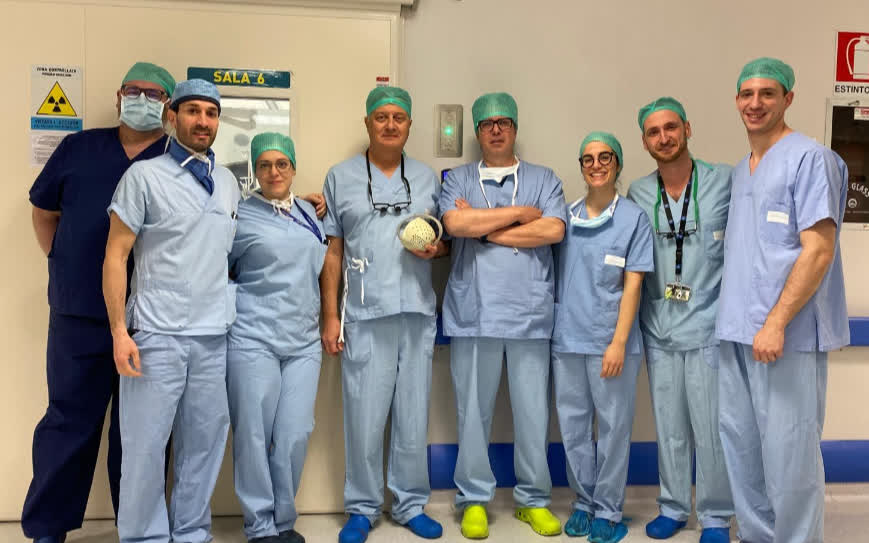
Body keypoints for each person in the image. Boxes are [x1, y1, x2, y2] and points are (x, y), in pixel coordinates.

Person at [24, 61, 175, 543]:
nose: (142, 100)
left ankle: (137, 529)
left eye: (155, 94)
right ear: (117, 96)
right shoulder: (79, 148)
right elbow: (44, 212)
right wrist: (64, 261)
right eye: (134, 90)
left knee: (142, 434)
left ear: (168, 108)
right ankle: (48, 529)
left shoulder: (178, 159)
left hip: (152, 319)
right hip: (80, 313)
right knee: (69, 421)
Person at [716, 57, 849, 543]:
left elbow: (818, 251)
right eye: (747, 94)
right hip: (736, 332)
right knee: (742, 447)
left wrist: (775, 322)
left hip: (785, 337)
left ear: (788, 98)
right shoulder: (741, 171)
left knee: (790, 456)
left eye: (767, 93)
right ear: (736, 100)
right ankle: (757, 535)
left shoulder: (811, 159)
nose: (755, 103)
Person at [103, 79, 240, 543]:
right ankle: (143, 537)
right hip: (156, 335)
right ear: (172, 116)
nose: (203, 121)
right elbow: (116, 255)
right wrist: (119, 331)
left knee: (204, 443)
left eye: (211, 113)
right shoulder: (144, 177)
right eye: (193, 111)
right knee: (145, 447)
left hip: (212, 335)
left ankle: (191, 532)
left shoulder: (227, 184)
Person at [320, 86, 447, 543]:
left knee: (413, 415)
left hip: (415, 310)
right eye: (381, 116)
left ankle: (410, 504)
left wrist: (436, 250)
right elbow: (333, 252)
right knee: (364, 417)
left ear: (409, 124)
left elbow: (445, 241)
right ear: (368, 122)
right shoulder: (341, 177)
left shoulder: (428, 179)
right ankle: (362, 507)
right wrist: (330, 315)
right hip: (364, 313)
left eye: (398, 117)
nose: (390, 124)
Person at [439, 92, 566, 539]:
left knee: (533, 413)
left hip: (530, 314)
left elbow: (553, 229)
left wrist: (484, 227)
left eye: (504, 122)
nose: (496, 129)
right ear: (477, 131)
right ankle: (473, 499)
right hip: (474, 314)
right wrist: (519, 217)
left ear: (515, 128)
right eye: (487, 123)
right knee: (472, 412)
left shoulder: (544, 178)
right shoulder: (457, 179)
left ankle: (533, 500)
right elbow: (455, 226)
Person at [626, 97, 733, 543]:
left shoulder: (724, 182)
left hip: (710, 326)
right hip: (660, 325)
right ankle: (672, 507)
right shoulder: (637, 193)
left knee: (710, 428)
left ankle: (715, 515)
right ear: (644, 141)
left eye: (671, 127)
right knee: (669, 426)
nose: (664, 137)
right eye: (653, 132)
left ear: (687, 128)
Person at [551, 132, 653, 543]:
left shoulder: (633, 219)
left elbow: (633, 285)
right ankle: (583, 502)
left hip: (612, 342)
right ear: (581, 166)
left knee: (613, 429)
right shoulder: (564, 218)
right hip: (568, 339)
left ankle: (608, 510)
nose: (596, 165)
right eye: (588, 159)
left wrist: (618, 342)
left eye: (605, 157)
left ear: (618, 163)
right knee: (573, 428)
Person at [227, 132, 326, 543]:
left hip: (304, 340)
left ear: (293, 167)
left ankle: (284, 519)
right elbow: (222, 267)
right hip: (253, 336)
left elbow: (325, 263)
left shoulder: (311, 212)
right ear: (255, 171)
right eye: (264, 165)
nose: (273, 172)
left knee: (295, 432)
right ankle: (261, 526)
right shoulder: (239, 214)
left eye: (281, 163)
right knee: (253, 433)